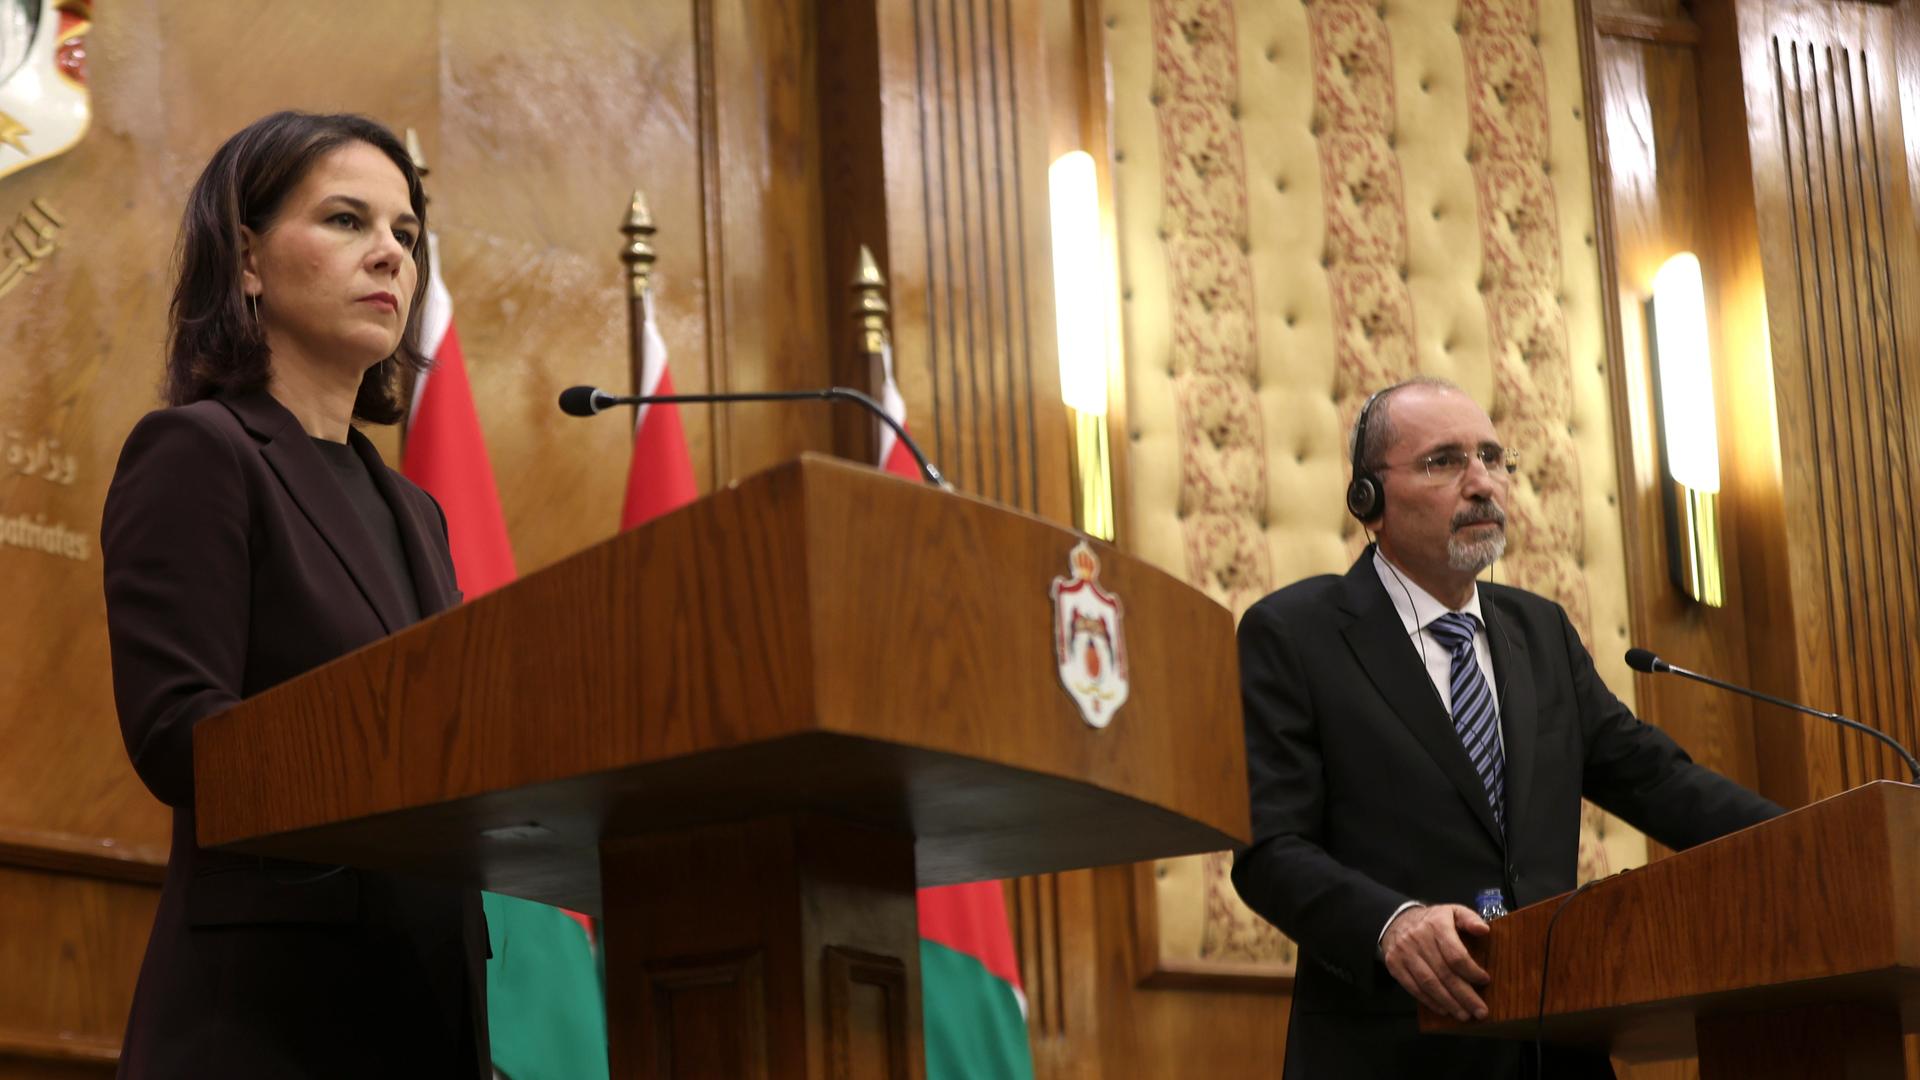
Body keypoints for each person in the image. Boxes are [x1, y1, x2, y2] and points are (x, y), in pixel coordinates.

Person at [1230, 378, 1782, 1078]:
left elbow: (1659, 782)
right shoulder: (1296, 635)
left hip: (1556, 1051)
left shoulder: (1540, 632)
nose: (1482, 483)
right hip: (1394, 1049)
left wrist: (1826, 841)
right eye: (1445, 461)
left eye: (1493, 458)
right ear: (1367, 500)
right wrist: (1392, 922)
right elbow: (1270, 850)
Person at [101, 111, 488, 1078]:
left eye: (406, 234)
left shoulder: (416, 511)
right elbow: (179, 733)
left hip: (426, 1016)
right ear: (245, 262)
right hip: (267, 1025)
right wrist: (393, 750)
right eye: (348, 221)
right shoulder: (199, 452)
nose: (391, 257)